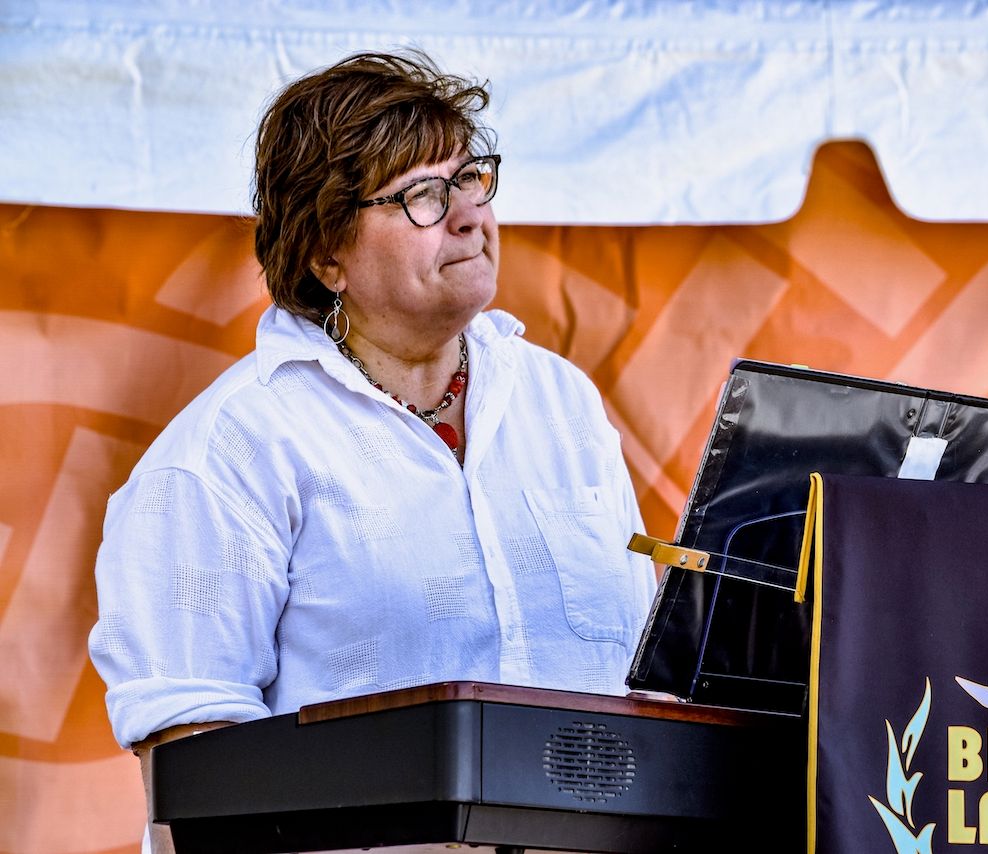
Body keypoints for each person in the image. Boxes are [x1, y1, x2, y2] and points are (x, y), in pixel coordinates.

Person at [87, 49, 656, 850]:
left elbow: (646, 684)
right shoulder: (230, 451)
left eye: (470, 179)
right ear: (327, 255)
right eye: (422, 195)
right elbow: (195, 762)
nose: (468, 214)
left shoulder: (563, 401)